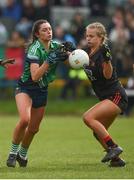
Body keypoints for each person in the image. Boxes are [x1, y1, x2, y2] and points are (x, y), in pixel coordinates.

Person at [6, 19, 74, 168]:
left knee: (34, 128)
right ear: (37, 34)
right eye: (44, 30)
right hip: (26, 88)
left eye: (50, 29)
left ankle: (22, 154)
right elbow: (35, 76)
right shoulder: (34, 49)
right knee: (25, 119)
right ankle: (12, 153)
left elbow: (71, 64)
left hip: (42, 90)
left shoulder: (56, 46)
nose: (49, 31)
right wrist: (49, 61)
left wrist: (73, 56)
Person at [82, 22, 128, 167]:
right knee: (98, 132)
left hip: (116, 96)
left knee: (88, 118)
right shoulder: (87, 51)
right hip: (106, 97)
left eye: (92, 36)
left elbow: (107, 76)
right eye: (87, 35)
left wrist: (107, 60)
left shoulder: (103, 52)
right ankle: (116, 161)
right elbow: (75, 59)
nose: (88, 39)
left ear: (101, 37)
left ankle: (114, 148)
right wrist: (67, 52)